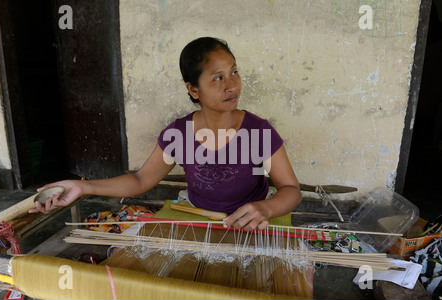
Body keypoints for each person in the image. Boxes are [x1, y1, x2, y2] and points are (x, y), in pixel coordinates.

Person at [31, 37, 302, 231]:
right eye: (218, 78)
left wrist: (266, 208)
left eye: (234, 73)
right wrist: (83, 186)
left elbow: (290, 189)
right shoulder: (179, 135)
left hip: (253, 219)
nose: (232, 86)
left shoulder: (257, 131)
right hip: (198, 216)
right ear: (194, 90)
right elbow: (140, 180)